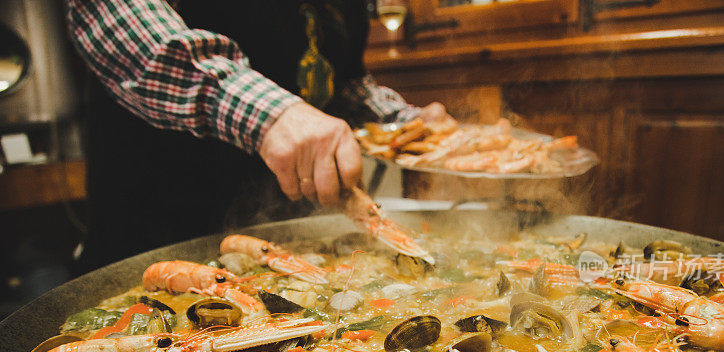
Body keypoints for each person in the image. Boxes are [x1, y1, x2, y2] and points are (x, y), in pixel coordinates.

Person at [65, 0, 448, 272]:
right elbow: (121, 20)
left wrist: (404, 122)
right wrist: (274, 115)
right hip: (155, 234)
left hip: (292, 233)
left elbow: (343, 80)